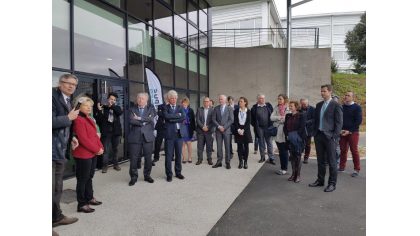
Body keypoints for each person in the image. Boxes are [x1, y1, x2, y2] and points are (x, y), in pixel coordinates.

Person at [52, 74, 79, 230]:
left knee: (57, 188)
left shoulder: (68, 100)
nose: (71, 86)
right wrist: (68, 117)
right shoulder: (51, 97)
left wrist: (72, 138)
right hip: (51, 151)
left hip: (60, 151)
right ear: (60, 83)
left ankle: (56, 217)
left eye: (74, 84)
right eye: (67, 83)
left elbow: (65, 126)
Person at [72, 96, 104, 213]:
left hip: (92, 153)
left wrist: (101, 146)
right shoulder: (78, 119)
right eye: (86, 105)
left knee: (89, 177)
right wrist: (97, 149)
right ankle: (81, 204)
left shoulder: (88, 118)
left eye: (90, 106)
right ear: (79, 106)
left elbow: (95, 135)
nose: (89, 108)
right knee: (82, 179)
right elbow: (83, 139)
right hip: (83, 154)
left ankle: (89, 197)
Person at [309, 84, 343, 193]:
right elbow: (316, 120)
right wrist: (314, 133)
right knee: (320, 160)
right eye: (321, 91)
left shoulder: (336, 105)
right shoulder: (319, 105)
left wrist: (334, 137)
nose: (322, 93)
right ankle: (320, 180)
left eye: (324, 91)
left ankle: (332, 184)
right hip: (319, 136)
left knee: (332, 162)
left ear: (330, 92)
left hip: (330, 138)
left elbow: (339, 123)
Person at [127, 93, 156, 186]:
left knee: (148, 158)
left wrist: (139, 118)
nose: (140, 100)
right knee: (134, 158)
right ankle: (133, 177)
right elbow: (131, 120)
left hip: (147, 137)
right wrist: (143, 122)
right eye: (138, 98)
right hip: (135, 137)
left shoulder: (151, 108)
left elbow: (151, 119)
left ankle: (147, 176)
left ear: (146, 100)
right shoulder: (132, 109)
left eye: (142, 98)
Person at [163, 90, 187, 182]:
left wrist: (172, 118)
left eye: (175, 98)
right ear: (169, 99)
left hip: (179, 135)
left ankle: (178, 172)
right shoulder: (165, 107)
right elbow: (166, 117)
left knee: (178, 155)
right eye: (172, 98)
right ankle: (169, 174)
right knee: (168, 156)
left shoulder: (180, 107)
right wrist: (177, 117)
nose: (173, 100)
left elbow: (183, 117)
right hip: (169, 135)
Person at [95, 92, 122, 173]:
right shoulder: (103, 108)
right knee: (105, 150)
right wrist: (99, 111)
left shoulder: (117, 107)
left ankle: (116, 164)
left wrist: (112, 106)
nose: (112, 101)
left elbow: (119, 113)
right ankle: (105, 166)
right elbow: (99, 120)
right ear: (107, 99)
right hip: (106, 132)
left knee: (115, 149)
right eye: (111, 99)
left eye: (114, 100)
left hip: (115, 132)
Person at [339, 91, 362, 177]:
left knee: (354, 150)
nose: (346, 97)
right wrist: (340, 130)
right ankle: (341, 167)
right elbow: (339, 119)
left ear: (353, 97)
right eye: (345, 95)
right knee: (343, 150)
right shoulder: (342, 107)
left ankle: (356, 169)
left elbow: (358, 121)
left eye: (348, 95)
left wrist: (349, 131)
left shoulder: (357, 107)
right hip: (342, 132)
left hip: (353, 132)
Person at [283, 101, 306, 183]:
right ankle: (293, 174)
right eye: (289, 106)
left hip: (298, 139)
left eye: (291, 106)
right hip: (289, 139)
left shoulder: (301, 115)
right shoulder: (288, 115)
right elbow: (285, 127)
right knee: (292, 156)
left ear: (296, 107)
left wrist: (295, 136)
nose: (290, 107)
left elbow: (302, 127)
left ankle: (298, 175)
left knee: (298, 157)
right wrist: (287, 135)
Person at [251, 94, 275, 165]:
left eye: (263, 98)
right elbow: (252, 120)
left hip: (268, 127)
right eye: (260, 98)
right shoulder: (254, 108)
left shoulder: (268, 106)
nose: (262, 100)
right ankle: (262, 157)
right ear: (257, 100)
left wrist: (271, 125)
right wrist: (256, 126)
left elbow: (272, 116)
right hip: (259, 128)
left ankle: (271, 158)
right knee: (261, 143)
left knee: (269, 143)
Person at [212, 94, 234, 169]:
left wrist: (224, 127)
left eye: (221, 99)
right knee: (219, 147)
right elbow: (213, 119)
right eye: (219, 99)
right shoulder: (216, 108)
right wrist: (219, 126)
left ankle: (227, 162)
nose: (220, 100)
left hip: (226, 131)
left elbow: (231, 120)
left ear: (225, 100)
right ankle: (219, 162)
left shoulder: (229, 108)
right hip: (218, 131)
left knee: (227, 147)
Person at [271, 94, 290, 175]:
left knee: (284, 151)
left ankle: (284, 168)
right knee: (280, 151)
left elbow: (287, 119)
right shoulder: (276, 107)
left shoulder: (288, 108)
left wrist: (278, 119)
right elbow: (271, 118)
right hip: (277, 132)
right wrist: (280, 117)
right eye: (278, 99)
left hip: (284, 132)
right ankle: (282, 168)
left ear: (285, 100)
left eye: (280, 99)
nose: (278, 100)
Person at [233, 97, 252, 169]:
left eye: (241, 101)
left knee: (246, 147)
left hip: (246, 130)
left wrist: (243, 130)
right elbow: (235, 121)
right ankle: (240, 162)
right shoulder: (236, 111)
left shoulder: (248, 111)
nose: (239, 103)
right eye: (239, 101)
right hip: (238, 129)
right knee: (239, 147)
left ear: (245, 103)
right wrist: (238, 129)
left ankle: (245, 162)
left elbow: (248, 122)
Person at [196, 97, 215, 165]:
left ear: (209, 102)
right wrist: (202, 127)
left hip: (209, 131)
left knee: (209, 146)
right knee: (200, 146)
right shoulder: (199, 109)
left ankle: (209, 159)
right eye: (204, 101)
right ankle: (199, 159)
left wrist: (208, 127)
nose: (206, 102)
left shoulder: (212, 110)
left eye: (207, 101)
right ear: (203, 102)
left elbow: (213, 121)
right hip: (200, 131)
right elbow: (197, 120)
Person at [153, 94, 168, 165]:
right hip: (161, 127)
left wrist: (165, 114)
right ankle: (156, 157)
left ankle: (170, 156)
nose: (167, 99)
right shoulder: (160, 105)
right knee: (158, 142)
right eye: (166, 98)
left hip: (169, 127)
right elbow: (159, 114)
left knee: (169, 142)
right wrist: (168, 114)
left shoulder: (172, 106)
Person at [299, 98, 315, 164]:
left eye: (305, 104)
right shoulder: (299, 109)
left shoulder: (312, 109)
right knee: (299, 143)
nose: (303, 105)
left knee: (307, 144)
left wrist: (306, 122)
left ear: (308, 103)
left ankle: (306, 157)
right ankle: (298, 156)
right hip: (300, 129)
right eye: (302, 104)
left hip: (309, 129)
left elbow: (314, 119)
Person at [181, 97, 196, 163]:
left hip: (189, 129)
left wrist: (194, 129)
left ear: (188, 103)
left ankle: (189, 157)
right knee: (183, 144)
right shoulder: (179, 109)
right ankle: (184, 158)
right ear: (182, 103)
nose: (184, 103)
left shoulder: (191, 110)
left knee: (189, 143)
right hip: (182, 128)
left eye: (186, 102)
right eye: (183, 102)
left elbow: (193, 120)